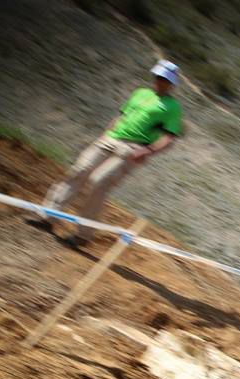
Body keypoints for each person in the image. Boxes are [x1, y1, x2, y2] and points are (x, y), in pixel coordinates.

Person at [41, 60, 183, 246]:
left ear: (171, 83)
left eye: (164, 78)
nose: (159, 80)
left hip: (132, 149)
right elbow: (122, 115)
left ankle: (83, 235)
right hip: (110, 139)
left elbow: (169, 136)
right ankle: (47, 216)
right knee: (79, 169)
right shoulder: (140, 93)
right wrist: (105, 135)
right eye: (158, 76)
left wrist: (147, 151)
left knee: (99, 182)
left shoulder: (172, 107)